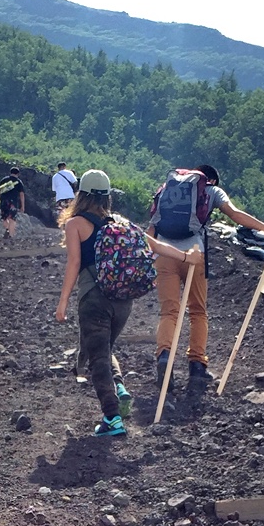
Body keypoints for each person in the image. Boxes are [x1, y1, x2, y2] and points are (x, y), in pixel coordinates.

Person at [55, 169, 201, 437]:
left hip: (94, 299)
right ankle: (119, 388)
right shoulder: (120, 223)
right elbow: (154, 245)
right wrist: (185, 257)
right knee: (105, 347)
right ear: (107, 197)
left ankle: (112, 418)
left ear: (82, 195)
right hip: (123, 300)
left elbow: (74, 264)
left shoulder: (75, 223)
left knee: (98, 356)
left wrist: (62, 303)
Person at [147, 164, 264, 396]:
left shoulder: (168, 188)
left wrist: (145, 257)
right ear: (210, 180)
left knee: (169, 312)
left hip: (164, 256)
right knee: (197, 312)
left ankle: (164, 355)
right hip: (194, 255)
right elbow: (235, 215)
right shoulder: (211, 191)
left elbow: (153, 226)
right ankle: (196, 365)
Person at [0, 167, 25, 241]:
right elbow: (22, 194)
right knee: (12, 219)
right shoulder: (18, 182)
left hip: (3, 201)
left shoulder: (4, 180)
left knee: (4, 218)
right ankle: (10, 235)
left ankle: (7, 228)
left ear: (10, 172)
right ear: (18, 174)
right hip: (13, 202)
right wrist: (22, 206)